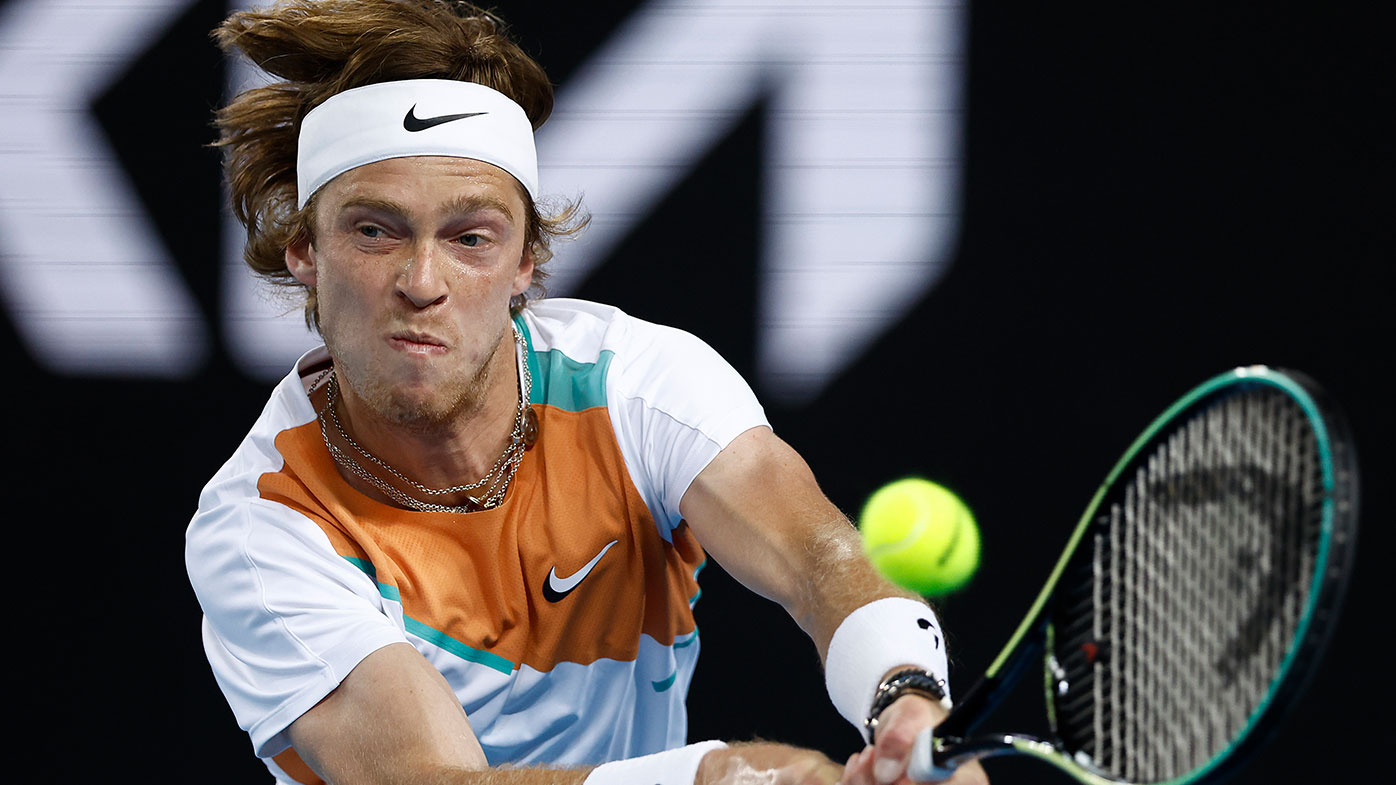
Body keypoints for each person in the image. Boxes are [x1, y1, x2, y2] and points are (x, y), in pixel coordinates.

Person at [186, 2, 988, 784]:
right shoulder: (262, 525)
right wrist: (719, 776)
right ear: (304, 251)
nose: (421, 281)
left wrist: (906, 696)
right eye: (374, 230)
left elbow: (819, 558)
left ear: (524, 264)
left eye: (470, 238)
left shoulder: (634, 384)